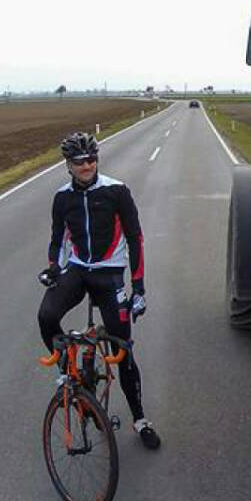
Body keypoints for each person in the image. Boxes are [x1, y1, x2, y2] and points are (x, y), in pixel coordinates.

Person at [37, 131, 160, 449]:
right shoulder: (62, 198)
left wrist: (139, 288)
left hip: (110, 275)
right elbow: (57, 237)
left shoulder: (117, 191)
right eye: (79, 161)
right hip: (78, 270)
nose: (87, 165)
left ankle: (140, 418)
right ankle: (68, 374)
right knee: (46, 315)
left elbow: (136, 239)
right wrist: (54, 267)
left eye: (92, 158)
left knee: (123, 349)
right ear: (68, 165)